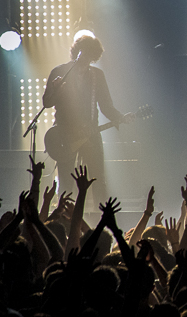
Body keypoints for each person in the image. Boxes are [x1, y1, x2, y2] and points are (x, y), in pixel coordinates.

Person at [42, 33, 133, 199]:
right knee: (66, 182)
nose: (85, 57)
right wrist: (56, 90)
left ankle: (102, 218)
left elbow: (106, 105)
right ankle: (64, 218)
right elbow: (47, 103)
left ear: (94, 56)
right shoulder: (60, 72)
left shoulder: (97, 75)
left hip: (90, 133)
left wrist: (120, 116)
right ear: (77, 51)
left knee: (98, 179)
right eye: (83, 52)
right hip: (65, 135)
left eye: (90, 54)